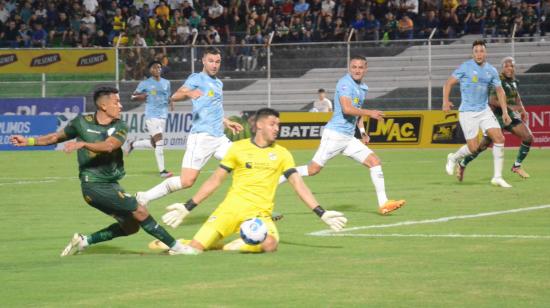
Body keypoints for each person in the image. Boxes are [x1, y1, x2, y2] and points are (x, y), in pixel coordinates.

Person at [9, 87, 191, 256]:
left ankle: (83, 241)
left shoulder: (120, 126)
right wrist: (29, 141)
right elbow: (56, 136)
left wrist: (83, 143)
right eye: (116, 102)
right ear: (103, 105)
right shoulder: (81, 122)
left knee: (131, 227)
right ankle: (177, 248)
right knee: (140, 211)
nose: (120, 106)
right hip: (94, 185)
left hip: (110, 184)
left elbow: (109, 146)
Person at [156, 108, 348, 255]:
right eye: (273, 124)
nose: (277, 128)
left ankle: (238, 244)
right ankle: (189, 242)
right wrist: (187, 206)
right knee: (194, 250)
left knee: (271, 244)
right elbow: (215, 181)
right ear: (259, 125)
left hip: (259, 216)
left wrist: (321, 213)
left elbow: (299, 185)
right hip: (229, 211)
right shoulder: (237, 149)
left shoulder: (282, 153)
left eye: (278, 125)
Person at [280, 56, 406, 215]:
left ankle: (384, 203)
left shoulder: (362, 88)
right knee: (313, 170)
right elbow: (347, 109)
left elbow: (357, 113)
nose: (357, 70)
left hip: (347, 138)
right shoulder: (345, 83)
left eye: (361, 67)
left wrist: (362, 132)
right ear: (349, 68)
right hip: (335, 135)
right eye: (354, 67)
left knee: (374, 161)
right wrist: (370, 113)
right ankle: (279, 178)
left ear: (366, 69)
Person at [135, 47, 243, 207]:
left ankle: (250, 208)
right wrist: (188, 94)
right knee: (187, 181)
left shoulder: (218, 83)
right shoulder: (196, 78)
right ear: (204, 61)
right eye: (211, 61)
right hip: (201, 138)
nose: (214, 65)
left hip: (219, 139)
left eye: (218, 61)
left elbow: (213, 107)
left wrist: (226, 121)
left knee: (244, 162)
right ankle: (145, 196)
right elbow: (176, 95)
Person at [443, 40, 512, 188]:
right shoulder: (466, 67)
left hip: (484, 110)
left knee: (499, 138)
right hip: (467, 112)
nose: (479, 54)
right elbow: (448, 83)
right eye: (476, 51)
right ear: (472, 53)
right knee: (474, 148)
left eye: (481, 51)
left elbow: (500, 91)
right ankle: (454, 157)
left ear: (485, 53)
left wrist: (505, 112)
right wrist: (445, 101)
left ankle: (497, 177)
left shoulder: (491, 70)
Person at [456, 56, 533, 180]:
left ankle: (516, 166)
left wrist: (522, 109)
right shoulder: (497, 80)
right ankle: (462, 163)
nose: (509, 68)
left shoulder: (513, 81)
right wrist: (509, 107)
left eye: (511, 66)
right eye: (506, 66)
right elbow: (492, 100)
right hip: (496, 117)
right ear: (502, 68)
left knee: (528, 137)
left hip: (509, 116)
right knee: (481, 147)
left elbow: (516, 95)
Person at [127, 61, 174, 178]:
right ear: (150, 70)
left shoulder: (166, 83)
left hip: (163, 115)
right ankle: (162, 171)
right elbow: (132, 96)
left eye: (159, 67)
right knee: (159, 141)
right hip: (151, 115)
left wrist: (171, 102)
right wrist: (140, 96)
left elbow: (168, 97)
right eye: (155, 67)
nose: (158, 69)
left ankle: (133, 144)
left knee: (154, 144)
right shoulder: (145, 83)